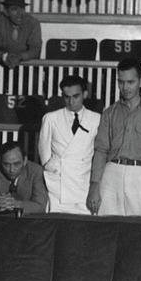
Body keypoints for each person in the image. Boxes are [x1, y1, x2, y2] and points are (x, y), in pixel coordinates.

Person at [88, 58, 141, 217]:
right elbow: (101, 151)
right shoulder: (109, 113)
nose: (125, 87)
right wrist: (94, 186)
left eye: (130, 82)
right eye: (121, 82)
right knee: (107, 229)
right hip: (112, 174)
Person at [38, 74, 100, 214]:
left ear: (85, 94)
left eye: (76, 96)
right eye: (67, 97)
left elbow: (99, 153)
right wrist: (52, 168)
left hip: (83, 185)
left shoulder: (96, 119)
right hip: (58, 187)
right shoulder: (50, 119)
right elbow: (44, 153)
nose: (71, 101)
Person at [0, 141, 48, 216]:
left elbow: (40, 205)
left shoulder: (35, 171)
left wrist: (16, 205)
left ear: (25, 160)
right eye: (6, 164)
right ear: (0, 161)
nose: (11, 169)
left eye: (16, 164)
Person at [0, 0, 43, 69]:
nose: (20, 13)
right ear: (6, 11)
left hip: (27, 68)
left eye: (22, 8)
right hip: (2, 67)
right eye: (14, 9)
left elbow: (35, 50)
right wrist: (4, 57)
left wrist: (20, 57)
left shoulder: (33, 23)